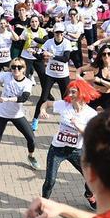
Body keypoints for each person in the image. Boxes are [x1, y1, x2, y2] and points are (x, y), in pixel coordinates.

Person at [42, 79, 99, 210]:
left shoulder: (91, 113)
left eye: (74, 92)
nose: (70, 95)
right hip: (57, 149)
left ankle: (89, 195)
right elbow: (47, 103)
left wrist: (77, 125)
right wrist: (43, 111)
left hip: (76, 151)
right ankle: (43, 202)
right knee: (50, 181)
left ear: (82, 93)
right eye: (70, 92)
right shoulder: (64, 105)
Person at [0, 58, 39, 176]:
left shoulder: (27, 83)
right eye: (13, 67)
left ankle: (31, 156)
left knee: (31, 138)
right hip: (2, 114)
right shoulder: (7, 75)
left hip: (17, 115)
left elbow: (24, 98)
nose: (16, 69)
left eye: (19, 67)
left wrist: (8, 99)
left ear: (24, 69)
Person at [32, 23, 74, 131]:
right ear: (54, 33)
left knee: (66, 98)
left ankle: (68, 120)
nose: (59, 35)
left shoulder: (66, 43)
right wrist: (36, 54)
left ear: (63, 33)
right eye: (57, 33)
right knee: (43, 97)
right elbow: (42, 55)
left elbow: (65, 58)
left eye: (60, 33)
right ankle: (35, 119)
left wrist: (52, 56)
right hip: (50, 74)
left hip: (63, 75)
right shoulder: (49, 42)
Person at [78, 45, 110, 110]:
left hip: (107, 97)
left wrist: (100, 81)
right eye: (104, 54)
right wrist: (78, 76)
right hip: (94, 95)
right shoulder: (96, 66)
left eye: (109, 54)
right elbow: (80, 69)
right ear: (101, 56)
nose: (106, 56)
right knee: (85, 115)